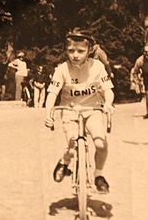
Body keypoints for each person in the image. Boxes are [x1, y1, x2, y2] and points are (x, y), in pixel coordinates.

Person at [44, 28, 114, 193]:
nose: (75, 55)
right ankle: (64, 161)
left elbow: (108, 90)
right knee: (72, 145)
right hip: (70, 111)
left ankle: (98, 175)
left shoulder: (97, 67)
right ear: (66, 50)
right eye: (71, 50)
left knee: (100, 143)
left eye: (81, 51)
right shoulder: (62, 69)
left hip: (92, 110)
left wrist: (109, 103)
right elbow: (52, 93)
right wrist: (48, 114)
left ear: (89, 50)